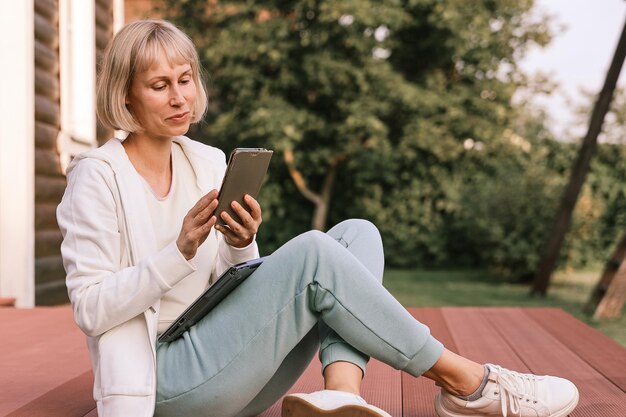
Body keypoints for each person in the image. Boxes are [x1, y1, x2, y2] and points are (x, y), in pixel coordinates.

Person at [57, 19, 579, 417]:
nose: (179, 97)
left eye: (185, 80)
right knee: (311, 253)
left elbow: (227, 286)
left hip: (231, 372)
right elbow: (90, 309)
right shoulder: (98, 176)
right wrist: (178, 254)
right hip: (158, 382)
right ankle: (470, 383)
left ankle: (341, 398)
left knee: (357, 234)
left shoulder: (207, 162)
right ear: (125, 93)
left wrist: (242, 244)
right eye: (159, 85)